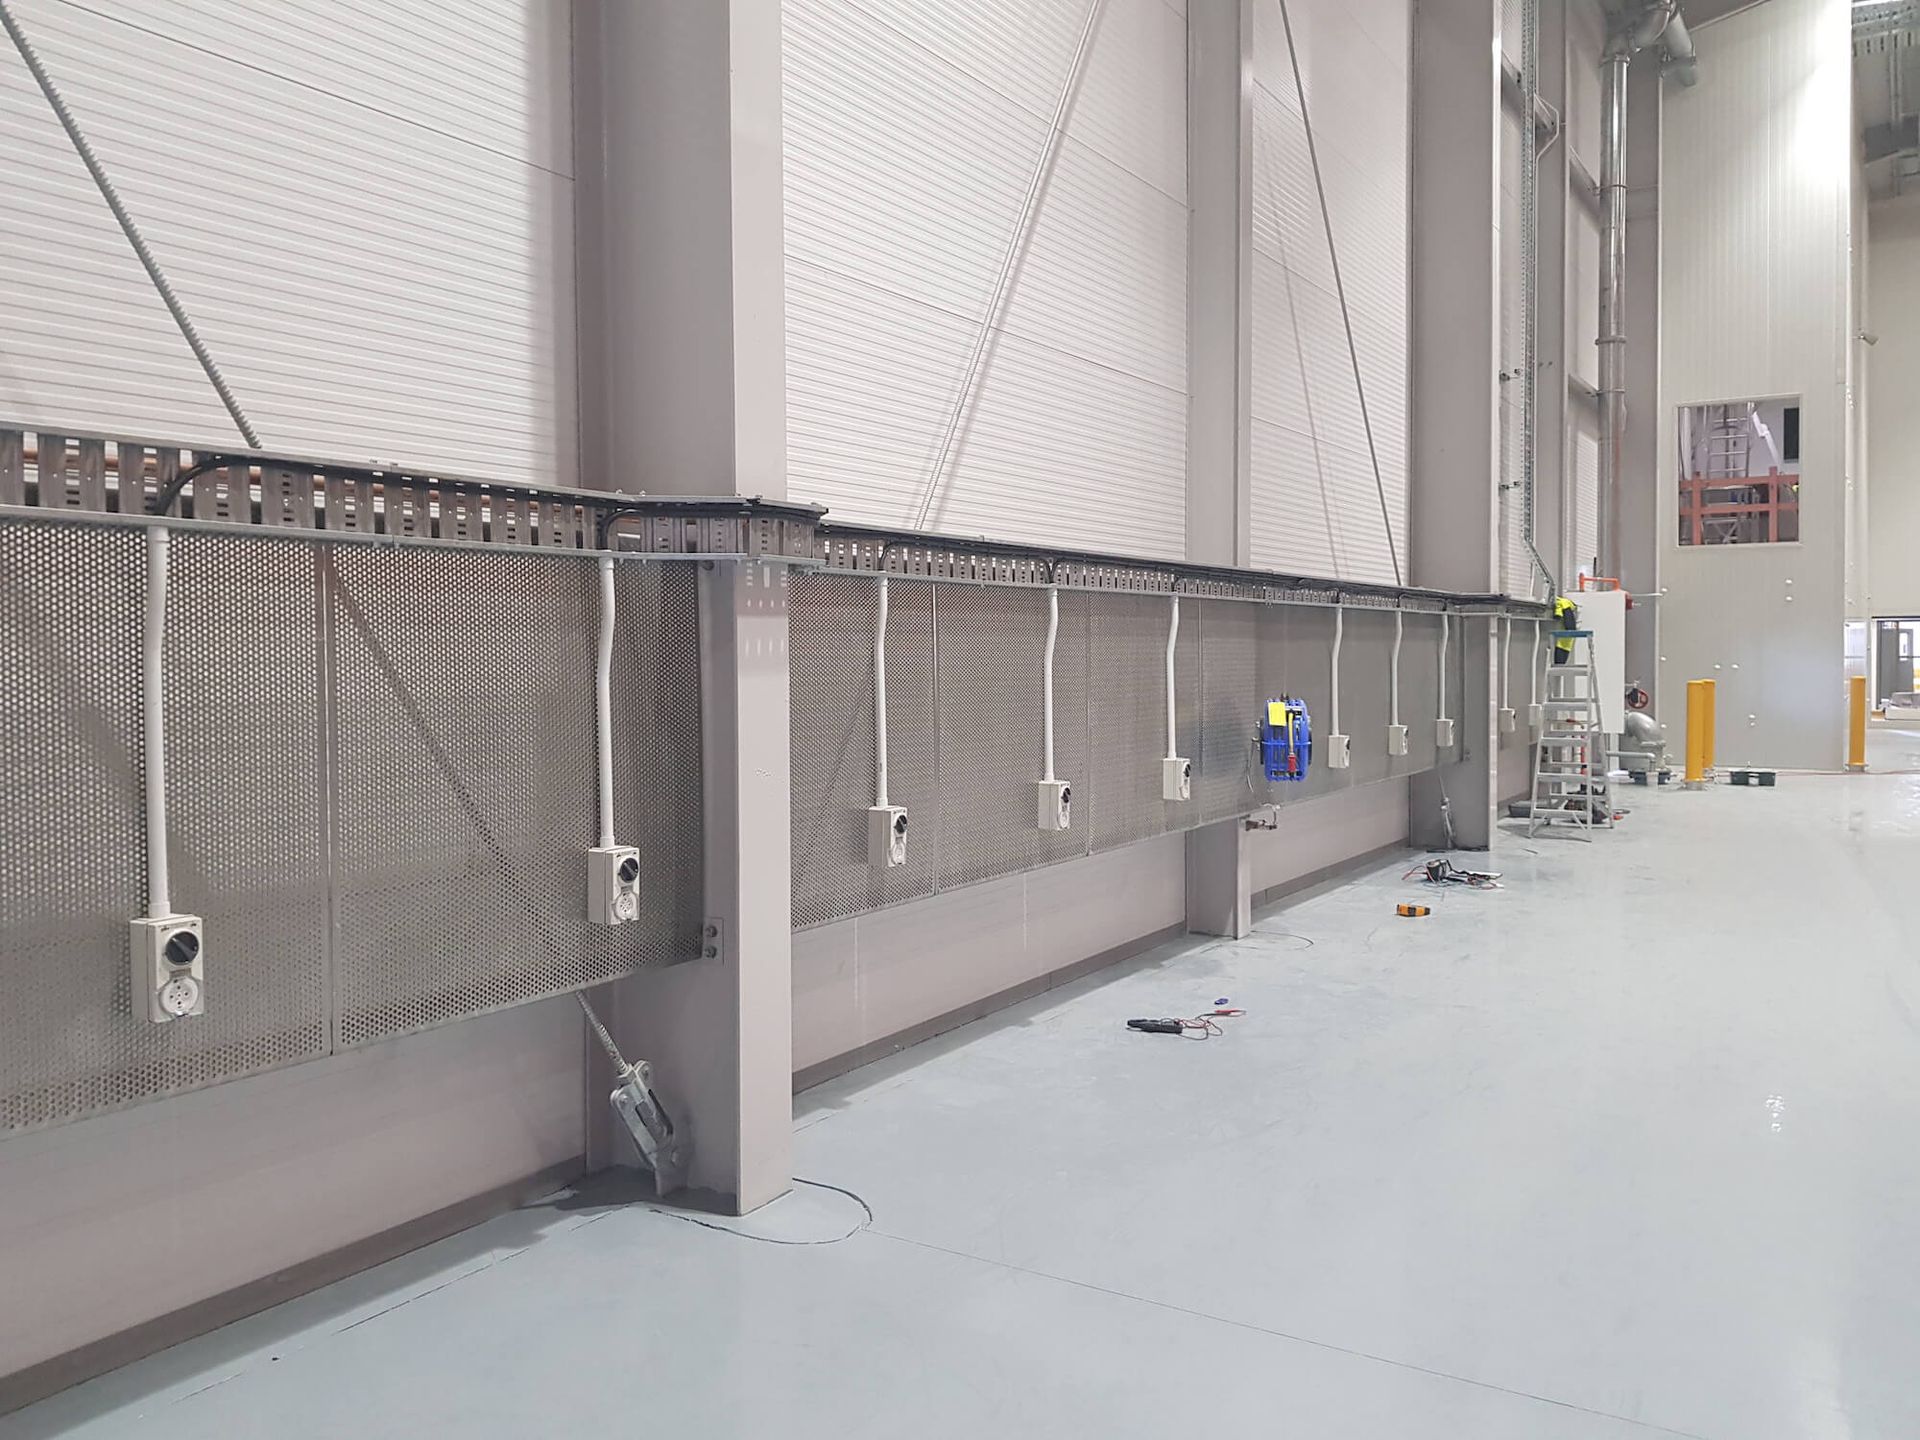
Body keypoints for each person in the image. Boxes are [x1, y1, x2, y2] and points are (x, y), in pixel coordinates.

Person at [1552, 595, 1579, 665]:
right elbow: (1570, 628)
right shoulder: (1563, 603)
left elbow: (1570, 628)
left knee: (1559, 665)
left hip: (1564, 642)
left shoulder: (1562, 603)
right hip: (1564, 642)